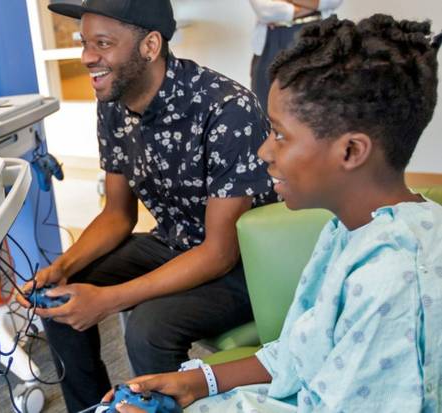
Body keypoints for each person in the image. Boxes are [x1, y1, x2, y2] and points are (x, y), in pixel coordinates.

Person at [106, 14, 442, 412]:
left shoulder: (391, 278)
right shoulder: (353, 229)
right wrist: (197, 382)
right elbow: (306, 350)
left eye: (279, 135)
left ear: (350, 151)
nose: (264, 151)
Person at [18, 1, 279, 411]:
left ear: (150, 45)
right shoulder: (113, 102)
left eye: (102, 43)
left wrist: (109, 299)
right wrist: (63, 266)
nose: (87, 57)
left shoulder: (227, 109)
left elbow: (220, 252)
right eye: (84, 42)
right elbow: (117, 215)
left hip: (247, 265)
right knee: (59, 293)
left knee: (148, 329)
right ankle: (90, 407)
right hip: (174, 243)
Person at [249, 0, 342, 111]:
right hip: (272, 38)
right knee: (266, 98)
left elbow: (332, 1)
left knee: (316, 102)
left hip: (316, 35)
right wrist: (314, 6)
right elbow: (265, 10)